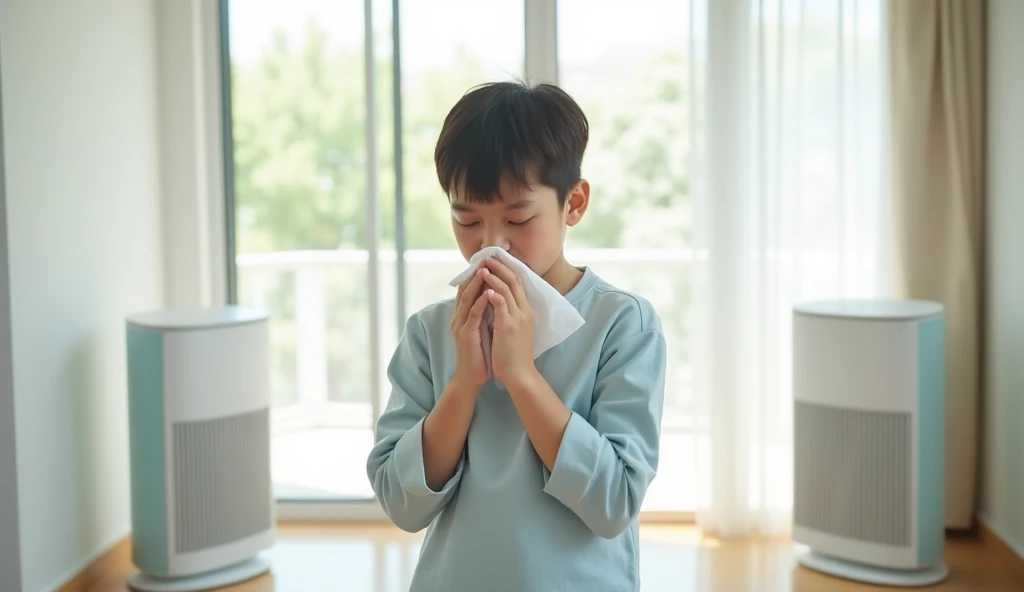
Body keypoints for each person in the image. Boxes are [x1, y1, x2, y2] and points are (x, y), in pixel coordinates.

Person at [366, 80, 666, 592]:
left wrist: (521, 376)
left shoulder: (622, 324)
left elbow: (613, 502)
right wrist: (463, 383)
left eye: (518, 219)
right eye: (467, 220)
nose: (491, 246)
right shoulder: (431, 331)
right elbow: (402, 502)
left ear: (574, 203)